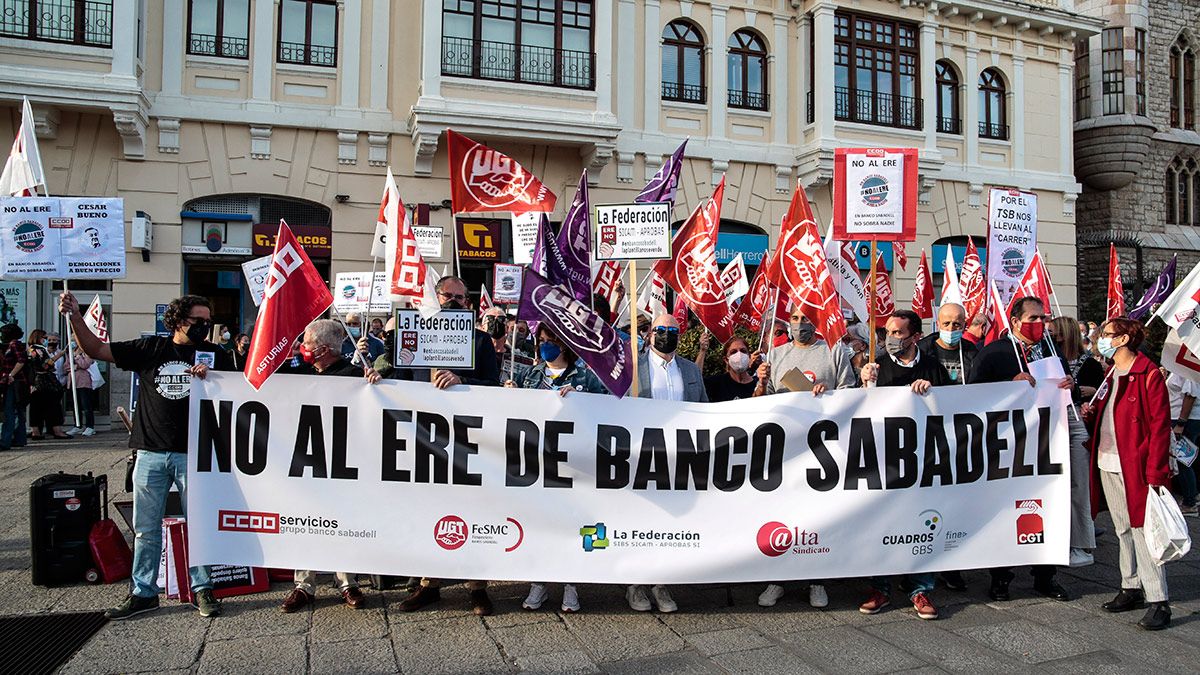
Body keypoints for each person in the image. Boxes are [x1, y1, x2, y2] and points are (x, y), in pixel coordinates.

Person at [60, 292, 233, 619]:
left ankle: (202, 588)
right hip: (150, 451)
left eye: (209, 322)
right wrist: (74, 317)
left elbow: (237, 394)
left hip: (194, 455)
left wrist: (214, 381)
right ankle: (143, 592)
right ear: (181, 321)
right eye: (200, 321)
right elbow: (96, 349)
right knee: (146, 527)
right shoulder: (151, 349)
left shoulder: (215, 354)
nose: (206, 327)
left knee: (199, 523)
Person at [399, 276, 500, 617]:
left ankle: (477, 587)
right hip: (424, 433)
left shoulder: (481, 341)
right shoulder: (416, 331)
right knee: (430, 507)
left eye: (461, 296)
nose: (455, 301)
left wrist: (463, 381)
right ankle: (430, 584)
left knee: (473, 508)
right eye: (448, 295)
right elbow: (398, 373)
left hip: (468, 435)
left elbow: (493, 383)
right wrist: (376, 374)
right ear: (436, 296)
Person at [968, 296, 1074, 602]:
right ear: (1015, 321)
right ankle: (1001, 578)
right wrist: (1009, 385)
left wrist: (1070, 384)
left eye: (1043, 318)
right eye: (1034, 318)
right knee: (1003, 511)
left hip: (1047, 444)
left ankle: (1046, 575)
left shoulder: (1051, 352)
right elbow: (972, 396)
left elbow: (1068, 393)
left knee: (1049, 507)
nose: (1041, 323)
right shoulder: (995, 353)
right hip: (1007, 445)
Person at [753, 311, 854, 610]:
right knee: (782, 513)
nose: (800, 323)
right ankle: (778, 579)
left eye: (806, 317)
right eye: (795, 317)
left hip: (821, 451)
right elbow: (762, 400)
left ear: (816, 320)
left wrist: (828, 395)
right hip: (785, 451)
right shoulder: (776, 353)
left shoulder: (834, 350)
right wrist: (759, 382)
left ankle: (816, 579)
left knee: (816, 515)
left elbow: (850, 394)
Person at [280, 319, 380, 613]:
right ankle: (303, 585)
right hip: (305, 460)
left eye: (307, 342)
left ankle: (347, 582)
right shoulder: (297, 372)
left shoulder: (353, 376)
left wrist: (374, 383)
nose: (303, 347)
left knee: (343, 520)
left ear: (323, 349)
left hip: (343, 462)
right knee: (303, 521)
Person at [506, 324, 606, 613]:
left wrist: (583, 398)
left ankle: (570, 584)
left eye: (551, 341)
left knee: (572, 524)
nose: (545, 346)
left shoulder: (585, 376)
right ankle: (539, 583)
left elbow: (609, 408)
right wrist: (508, 394)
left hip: (575, 466)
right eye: (542, 341)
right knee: (540, 523)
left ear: (564, 345)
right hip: (538, 464)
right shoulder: (529, 375)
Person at [858, 310, 949, 620]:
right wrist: (865, 385)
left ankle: (920, 588)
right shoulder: (876, 366)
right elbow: (860, 412)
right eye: (888, 333)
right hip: (885, 460)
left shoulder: (932, 365)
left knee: (921, 522)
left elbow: (954, 405)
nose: (891, 339)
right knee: (883, 522)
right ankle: (880, 588)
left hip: (922, 459)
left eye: (898, 333)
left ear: (916, 336)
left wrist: (932, 392)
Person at [1082, 318, 1172, 630]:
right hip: (1108, 460)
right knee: (1121, 528)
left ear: (1123, 340)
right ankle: (1130, 585)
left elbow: (1160, 426)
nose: (1100, 339)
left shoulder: (1147, 374)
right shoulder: (1110, 372)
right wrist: (1092, 414)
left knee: (1143, 531)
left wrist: (1156, 471)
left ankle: (1159, 599)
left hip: (1137, 465)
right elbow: (1112, 414)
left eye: (1106, 335)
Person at [625, 313, 706, 613]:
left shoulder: (689, 370)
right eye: (660, 330)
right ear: (649, 334)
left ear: (680, 335)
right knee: (641, 521)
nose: (665, 335)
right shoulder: (635, 368)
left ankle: (661, 584)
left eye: (672, 330)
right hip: (643, 455)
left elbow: (704, 410)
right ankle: (635, 585)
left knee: (668, 523)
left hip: (679, 458)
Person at [1048, 316, 1105, 563]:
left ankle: (1081, 542)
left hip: (1077, 422)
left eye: (1054, 332)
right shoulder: (1047, 360)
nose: (1050, 336)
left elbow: (1101, 391)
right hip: (1052, 422)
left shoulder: (1089, 363)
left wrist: (1090, 392)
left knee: (1079, 485)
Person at [1165, 371, 1200, 517]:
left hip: (1184, 420)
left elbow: (1190, 395)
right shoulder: (1179, 367)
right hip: (1181, 417)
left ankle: (1190, 502)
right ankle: (1193, 495)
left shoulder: (1188, 368)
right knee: (1186, 460)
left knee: (1182, 461)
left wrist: (1181, 423)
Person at [917, 303, 977, 385]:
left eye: (956, 324)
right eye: (946, 323)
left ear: (964, 325)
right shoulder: (921, 352)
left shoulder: (972, 352)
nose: (951, 328)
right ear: (938, 324)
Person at [28, 331, 70, 440]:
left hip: (39, 381)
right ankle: (56, 431)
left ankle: (36, 431)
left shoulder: (33, 349)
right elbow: (46, 365)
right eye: (45, 338)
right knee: (52, 406)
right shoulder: (38, 350)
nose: (47, 340)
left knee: (37, 408)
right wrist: (58, 356)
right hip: (43, 381)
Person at [0, 323, 29, 450]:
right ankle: (19, 439)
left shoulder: (14, 344)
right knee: (18, 410)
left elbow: (21, 360)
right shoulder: (14, 344)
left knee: (9, 410)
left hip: (14, 382)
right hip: (17, 381)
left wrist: (11, 374)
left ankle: (5, 441)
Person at [704, 337, 759, 402]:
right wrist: (702, 351)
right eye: (733, 352)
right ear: (726, 360)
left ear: (749, 356)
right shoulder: (716, 383)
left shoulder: (758, 384)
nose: (739, 355)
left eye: (743, 351)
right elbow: (695, 380)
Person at [69, 344, 96, 436]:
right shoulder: (70, 353)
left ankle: (90, 426)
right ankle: (78, 425)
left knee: (86, 406)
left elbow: (85, 365)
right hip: (73, 383)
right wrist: (75, 366)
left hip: (84, 383)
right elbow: (66, 367)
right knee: (76, 406)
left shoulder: (87, 353)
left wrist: (77, 357)